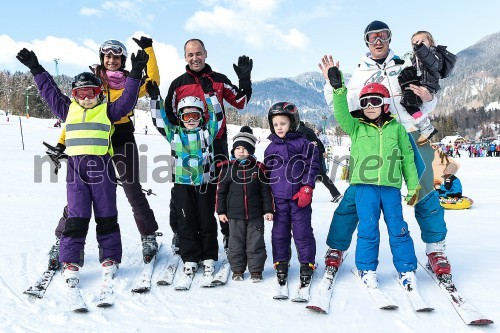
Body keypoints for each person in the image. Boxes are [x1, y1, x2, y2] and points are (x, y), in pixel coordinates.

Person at [319, 20, 452, 276]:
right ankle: (336, 247)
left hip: (413, 135)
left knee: (425, 194)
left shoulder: (407, 64)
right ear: (366, 42)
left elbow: (427, 100)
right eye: (372, 37)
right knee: (355, 198)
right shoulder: (359, 74)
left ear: (390, 38)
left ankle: (436, 249)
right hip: (373, 142)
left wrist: (429, 97)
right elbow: (340, 107)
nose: (378, 41)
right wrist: (330, 84)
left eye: (383, 36)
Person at [16, 48, 146, 294]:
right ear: (75, 95)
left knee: (107, 214)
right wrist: (36, 69)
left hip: (102, 170)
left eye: (92, 93)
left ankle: (110, 257)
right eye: (81, 93)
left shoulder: (108, 111)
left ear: (100, 93)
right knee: (77, 216)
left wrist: (137, 71)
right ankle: (71, 258)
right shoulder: (68, 110)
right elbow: (50, 92)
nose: (87, 98)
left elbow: (128, 98)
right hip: (76, 173)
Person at [48, 38, 161, 269]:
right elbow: (74, 117)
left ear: (122, 60)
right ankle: (62, 239)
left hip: (121, 139)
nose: (111, 61)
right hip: (94, 141)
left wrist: (149, 51)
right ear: (102, 58)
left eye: (116, 57)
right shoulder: (91, 82)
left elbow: (154, 81)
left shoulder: (132, 80)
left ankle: (148, 235)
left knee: (132, 190)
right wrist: (62, 143)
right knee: (79, 196)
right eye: (107, 57)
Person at [329, 67, 420, 286]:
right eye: (365, 102)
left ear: (384, 104)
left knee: (398, 228)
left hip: (390, 187)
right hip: (364, 188)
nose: (370, 106)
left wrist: (414, 186)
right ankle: (366, 269)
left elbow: (407, 158)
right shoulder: (356, 127)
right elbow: (341, 114)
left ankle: (407, 270)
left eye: (375, 101)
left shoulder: (397, 128)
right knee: (368, 228)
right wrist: (338, 90)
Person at [165, 38, 253, 253]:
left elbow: (240, 103)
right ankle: (181, 232)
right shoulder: (178, 84)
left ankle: (227, 234)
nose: (195, 58)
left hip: (216, 144)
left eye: (198, 53)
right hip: (187, 149)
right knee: (181, 192)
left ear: (205, 54)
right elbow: (168, 116)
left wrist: (244, 80)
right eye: (190, 54)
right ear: (185, 57)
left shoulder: (219, 80)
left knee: (221, 191)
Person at [148, 81, 224, 286]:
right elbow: (159, 120)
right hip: (182, 184)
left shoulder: (208, 132)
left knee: (206, 220)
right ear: (180, 117)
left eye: (195, 116)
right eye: (186, 116)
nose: (191, 120)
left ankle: (208, 256)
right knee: (186, 221)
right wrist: (155, 99)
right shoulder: (174, 134)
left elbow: (218, 115)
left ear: (201, 116)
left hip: (205, 183)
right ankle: (190, 257)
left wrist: (210, 95)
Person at [264, 102, 320, 288]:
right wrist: (267, 197)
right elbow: (267, 173)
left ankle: (307, 263)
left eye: (283, 123)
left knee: (302, 232)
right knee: (279, 233)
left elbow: (312, 166)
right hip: (278, 199)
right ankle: (281, 262)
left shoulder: (304, 144)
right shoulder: (270, 148)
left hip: (299, 198)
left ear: (293, 123)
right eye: (276, 124)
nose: (279, 127)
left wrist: (307, 187)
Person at [216, 126, 274, 282]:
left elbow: (265, 192)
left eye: (245, 148)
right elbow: (220, 193)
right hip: (234, 216)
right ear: (233, 150)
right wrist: (221, 212)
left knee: (255, 243)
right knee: (235, 243)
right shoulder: (227, 169)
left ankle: (256, 271)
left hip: (255, 215)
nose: (241, 151)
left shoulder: (258, 168)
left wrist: (268, 210)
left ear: (251, 150)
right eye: (238, 148)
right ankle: (238, 270)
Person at [398, 31, 455, 142]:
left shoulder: (435, 54)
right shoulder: (415, 57)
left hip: (428, 85)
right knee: (407, 103)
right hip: (420, 84)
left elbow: (434, 63)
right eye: (415, 43)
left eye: (422, 41)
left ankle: (425, 126)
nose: (418, 43)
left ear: (431, 42)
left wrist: (420, 49)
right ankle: (424, 126)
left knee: (410, 102)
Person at [297, 121, 342, 202]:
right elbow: (318, 141)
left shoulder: (300, 130)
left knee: (317, 175)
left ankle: (335, 194)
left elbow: (302, 144)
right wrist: (323, 151)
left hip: (312, 156)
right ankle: (307, 196)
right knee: (315, 176)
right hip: (316, 154)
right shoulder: (308, 129)